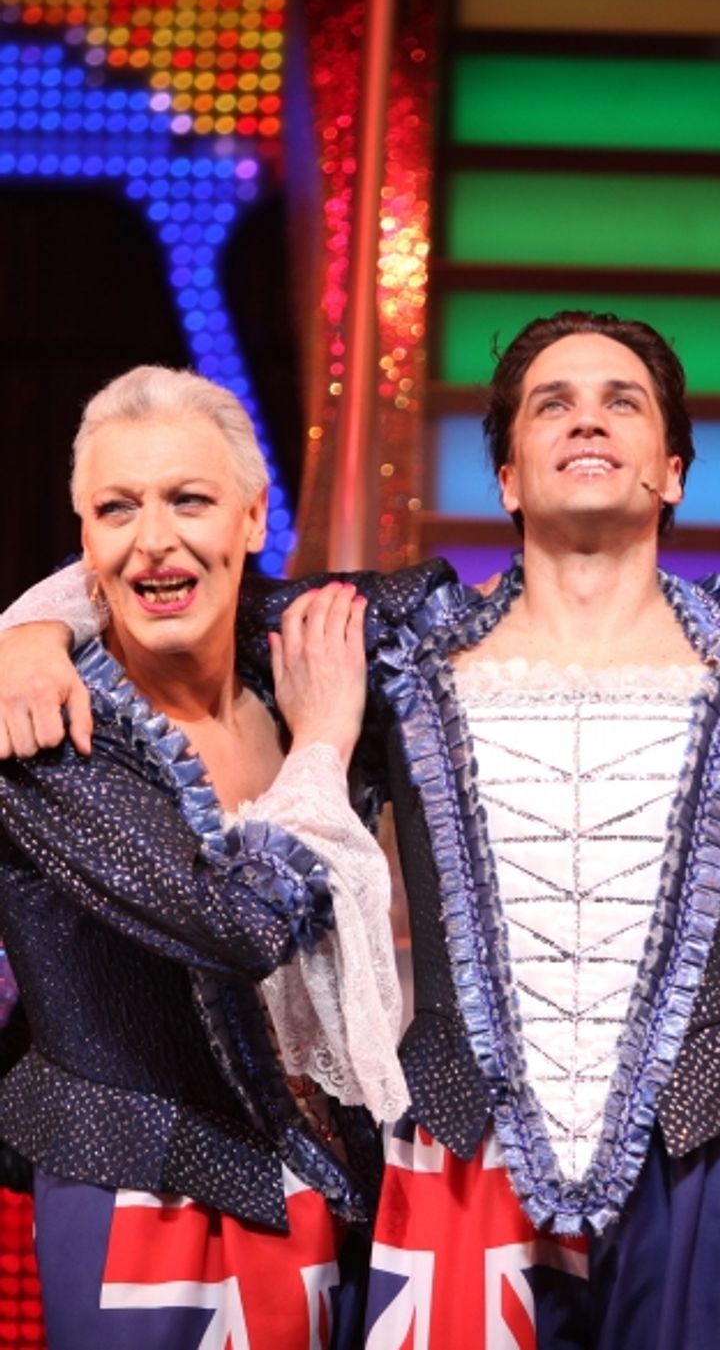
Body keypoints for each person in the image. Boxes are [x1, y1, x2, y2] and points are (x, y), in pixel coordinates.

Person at [1, 316, 720, 1350]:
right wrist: (30, 630)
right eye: (553, 402)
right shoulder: (400, 638)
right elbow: (193, 578)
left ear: (671, 470)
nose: (588, 418)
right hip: (459, 1152)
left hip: (711, 1155)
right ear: (507, 475)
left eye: (623, 401)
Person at [0, 365, 406, 1349]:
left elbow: (446, 604)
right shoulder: (49, 724)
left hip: (331, 1188)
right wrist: (324, 742)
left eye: (189, 499)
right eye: (117, 508)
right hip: (140, 1202)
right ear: (85, 539)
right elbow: (241, 921)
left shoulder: (290, 654)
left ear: (255, 517)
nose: (153, 538)